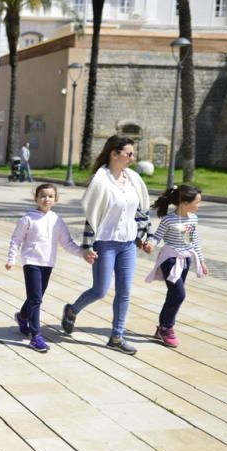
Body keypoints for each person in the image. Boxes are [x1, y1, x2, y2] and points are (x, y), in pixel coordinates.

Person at [61, 135, 152, 355]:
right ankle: (72, 310)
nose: (132, 158)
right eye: (128, 153)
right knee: (100, 290)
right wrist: (87, 246)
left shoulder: (133, 180)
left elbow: (141, 212)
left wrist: (144, 237)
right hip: (105, 243)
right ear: (114, 154)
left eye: (132, 153)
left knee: (124, 291)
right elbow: (92, 217)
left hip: (128, 244)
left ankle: (116, 337)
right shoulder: (100, 181)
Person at [6, 184, 95, 352]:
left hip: (48, 263)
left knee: (36, 296)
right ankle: (36, 336)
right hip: (31, 262)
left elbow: (67, 243)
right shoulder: (28, 219)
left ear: (56, 199)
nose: (46, 199)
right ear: (36, 199)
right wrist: (11, 259)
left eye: (50, 196)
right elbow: (16, 240)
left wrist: (83, 253)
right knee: (36, 299)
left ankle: (22, 316)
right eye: (43, 196)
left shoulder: (57, 220)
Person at [145, 185, 209, 347]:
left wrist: (200, 261)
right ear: (184, 203)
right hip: (170, 260)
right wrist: (150, 244)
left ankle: (162, 327)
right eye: (197, 202)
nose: (199, 205)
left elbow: (194, 242)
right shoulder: (168, 219)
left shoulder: (193, 219)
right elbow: (157, 237)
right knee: (179, 294)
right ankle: (167, 327)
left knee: (173, 294)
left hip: (185, 260)